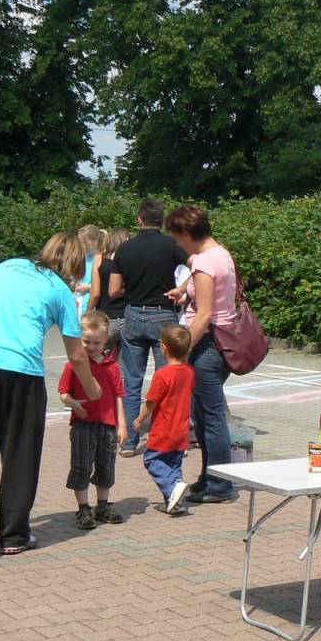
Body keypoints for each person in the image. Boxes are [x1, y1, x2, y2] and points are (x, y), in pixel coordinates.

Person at [0, 232, 100, 558]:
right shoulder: (61, 291)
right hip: (21, 373)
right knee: (20, 454)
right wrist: (91, 388)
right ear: (74, 265)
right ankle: (14, 535)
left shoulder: (5, 268)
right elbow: (76, 355)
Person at [165, 204, 238, 503]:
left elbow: (205, 314)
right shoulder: (220, 254)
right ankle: (210, 478)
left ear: (187, 233)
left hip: (208, 345)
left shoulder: (206, 262)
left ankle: (220, 485)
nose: (178, 244)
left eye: (178, 238)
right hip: (218, 344)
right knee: (204, 415)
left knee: (211, 417)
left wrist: (182, 351)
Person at [110, 199, 188, 456]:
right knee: (166, 381)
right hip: (162, 313)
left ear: (139, 219)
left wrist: (131, 289)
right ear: (162, 220)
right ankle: (161, 440)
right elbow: (197, 265)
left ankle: (128, 442)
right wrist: (182, 289)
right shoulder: (171, 245)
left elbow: (113, 290)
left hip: (132, 313)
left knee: (131, 380)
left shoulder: (124, 249)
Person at [59, 311, 126, 529]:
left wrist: (121, 424)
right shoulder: (74, 364)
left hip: (107, 425)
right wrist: (73, 403)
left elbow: (118, 396)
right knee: (81, 466)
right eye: (86, 341)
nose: (91, 346)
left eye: (97, 342)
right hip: (83, 424)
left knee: (106, 466)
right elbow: (63, 392)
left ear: (105, 341)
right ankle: (83, 508)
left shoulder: (112, 366)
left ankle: (102, 505)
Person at [134, 324, 196, 514]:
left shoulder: (163, 375)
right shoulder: (189, 372)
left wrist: (139, 419)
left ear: (164, 348)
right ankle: (173, 500)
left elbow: (152, 402)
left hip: (164, 428)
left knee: (152, 460)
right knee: (173, 463)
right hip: (182, 428)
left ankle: (173, 488)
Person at [92, 227, 129, 352]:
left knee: (99, 361)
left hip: (106, 317)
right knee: (124, 366)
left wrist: (88, 312)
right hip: (127, 316)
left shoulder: (100, 259)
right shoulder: (130, 261)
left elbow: (95, 293)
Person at [76, 225, 103, 316]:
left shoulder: (100, 258)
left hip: (93, 304)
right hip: (79, 301)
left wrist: (88, 287)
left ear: (94, 241)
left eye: (82, 242)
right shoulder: (82, 257)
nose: (80, 244)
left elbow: (107, 283)